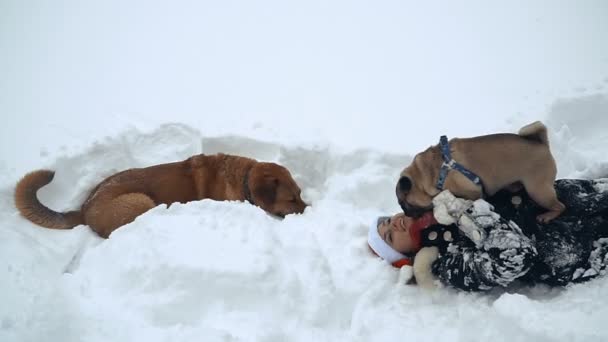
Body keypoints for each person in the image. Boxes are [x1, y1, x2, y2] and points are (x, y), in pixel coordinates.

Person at [368, 178, 608, 291]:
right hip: (580, 244)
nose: (394, 224)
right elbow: (515, 256)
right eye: (389, 237)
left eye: (387, 221)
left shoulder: (439, 196)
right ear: (406, 256)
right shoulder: (448, 264)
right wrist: (462, 211)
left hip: (576, 196)